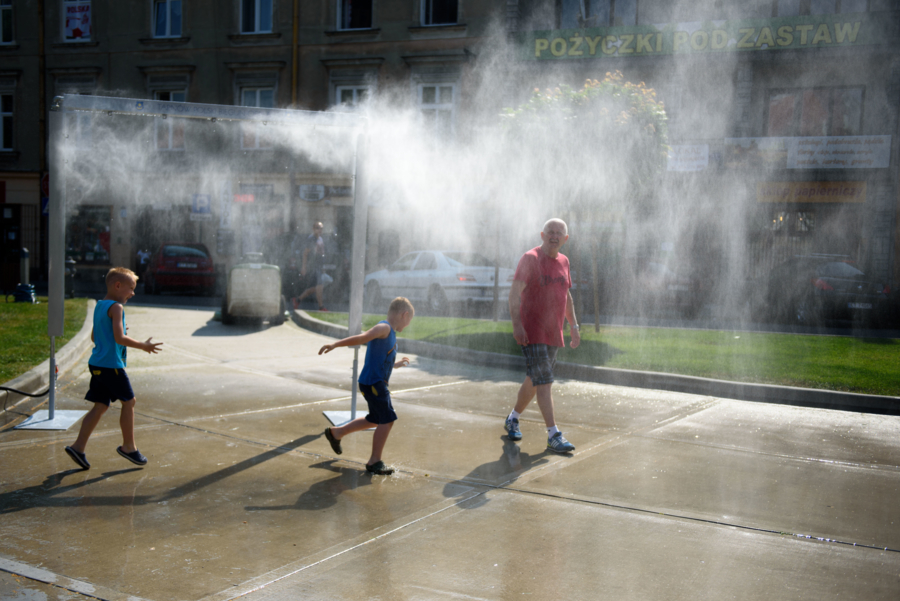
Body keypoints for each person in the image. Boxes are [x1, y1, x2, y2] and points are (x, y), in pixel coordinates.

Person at [64, 267, 163, 470]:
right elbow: (120, 338)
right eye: (131, 288)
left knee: (100, 405)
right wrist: (143, 345)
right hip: (110, 366)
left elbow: (94, 337)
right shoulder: (117, 307)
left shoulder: (101, 305)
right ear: (118, 285)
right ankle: (129, 447)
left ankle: (78, 447)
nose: (133, 293)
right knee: (129, 401)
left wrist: (114, 332)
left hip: (97, 364)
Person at [504, 218, 581, 453]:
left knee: (535, 380)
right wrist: (517, 325)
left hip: (553, 332)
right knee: (545, 381)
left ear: (565, 239)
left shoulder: (564, 261)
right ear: (542, 234)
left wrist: (574, 326)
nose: (554, 235)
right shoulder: (530, 258)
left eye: (559, 233)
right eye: (550, 232)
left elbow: (566, 296)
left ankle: (512, 418)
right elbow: (514, 294)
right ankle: (553, 434)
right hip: (532, 330)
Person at [318, 297, 415, 475]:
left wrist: (396, 364)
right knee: (388, 419)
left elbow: (381, 360)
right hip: (374, 383)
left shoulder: (390, 333)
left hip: (372, 382)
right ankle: (374, 461)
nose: (407, 325)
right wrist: (335, 344)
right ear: (404, 314)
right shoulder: (384, 328)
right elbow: (362, 337)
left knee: (374, 419)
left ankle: (336, 433)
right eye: (408, 321)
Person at [295, 221, 333, 311]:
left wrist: (323, 266)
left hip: (319, 266)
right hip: (313, 266)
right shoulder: (311, 239)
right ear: (313, 229)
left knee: (314, 288)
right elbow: (305, 253)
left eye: (321, 228)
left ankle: (297, 300)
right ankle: (321, 307)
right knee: (320, 286)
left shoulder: (320, 239)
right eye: (317, 228)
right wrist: (304, 267)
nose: (320, 230)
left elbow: (321, 253)